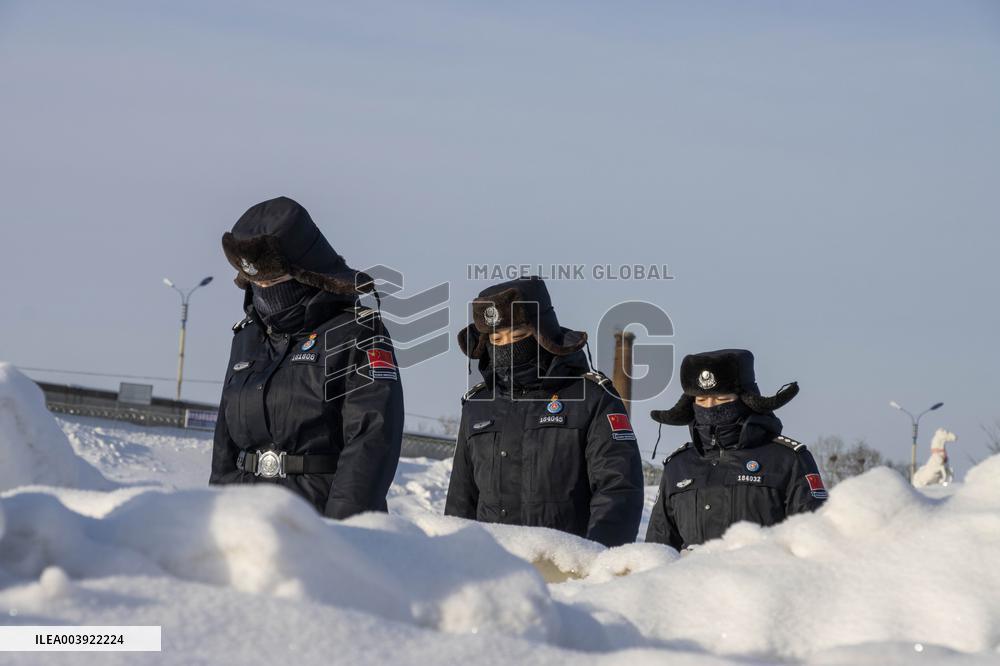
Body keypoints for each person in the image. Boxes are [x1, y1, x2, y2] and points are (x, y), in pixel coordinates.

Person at [209, 196, 404, 520]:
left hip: (319, 520)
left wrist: (340, 533)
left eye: (274, 281)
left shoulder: (357, 333)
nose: (265, 292)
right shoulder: (246, 338)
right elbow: (224, 445)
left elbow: (371, 441)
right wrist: (216, 522)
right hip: (246, 521)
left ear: (306, 272)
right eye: (257, 282)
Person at [444, 276, 644, 547]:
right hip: (489, 572)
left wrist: (597, 565)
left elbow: (618, 490)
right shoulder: (477, 405)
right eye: (497, 338)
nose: (506, 346)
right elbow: (461, 500)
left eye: (518, 335)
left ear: (544, 332)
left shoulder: (593, 398)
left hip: (567, 573)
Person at [645, 349, 826, 550]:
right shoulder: (678, 466)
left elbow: (814, 542)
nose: (710, 408)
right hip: (691, 579)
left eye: (722, 399)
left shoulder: (788, 459)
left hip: (764, 578)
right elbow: (658, 549)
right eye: (701, 400)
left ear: (746, 399)